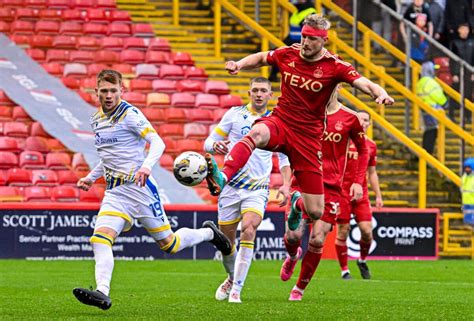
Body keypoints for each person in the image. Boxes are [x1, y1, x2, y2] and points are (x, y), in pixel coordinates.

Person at [204, 14, 394, 240]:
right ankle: (223, 176)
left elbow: (363, 82)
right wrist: (239, 64)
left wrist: (380, 93)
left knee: (316, 210)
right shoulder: (289, 53)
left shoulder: (335, 66)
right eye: (304, 36)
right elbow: (262, 57)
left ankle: (297, 204)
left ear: (323, 40)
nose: (305, 42)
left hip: (308, 138)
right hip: (281, 122)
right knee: (256, 133)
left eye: (312, 39)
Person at [72, 70, 232, 310]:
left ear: (121, 91)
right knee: (99, 239)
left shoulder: (130, 115)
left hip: (140, 190)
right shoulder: (97, 120)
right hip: (115, 194)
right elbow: (108, 157)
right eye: (104, 91)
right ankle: (102, 292)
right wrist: (91, 177)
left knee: (170, 245)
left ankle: (209, 234)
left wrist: (146, 167)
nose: (108, 95)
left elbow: (158, 142)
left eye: (113, 91)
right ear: (96, 92)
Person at [204, 77, 292, 303]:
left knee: (250, 229)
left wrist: (285, 183)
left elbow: (283, 157)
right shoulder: (234, 114)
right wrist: (216, 146)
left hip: (257, 189)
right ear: (249, 92)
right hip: (230, 187)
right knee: (227, 243)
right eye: (255, 90)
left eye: (264, 90)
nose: (259, 94)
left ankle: (237, 290)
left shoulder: (276, 120)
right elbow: (209, 141)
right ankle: (231, 277)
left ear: (270, 95)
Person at [279, 88, 369, 301]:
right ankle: (292, 255)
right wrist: (285, 180)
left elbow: (363, 150)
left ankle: (299, 289)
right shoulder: (303, 112)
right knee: (293, 236)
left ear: (336, 87)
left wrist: (357, 182)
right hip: (302, 180)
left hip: (331, 187)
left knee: (318, 240)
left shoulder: (350, 118)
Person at [335, 110, 384, 280]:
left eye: (365, 120)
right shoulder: (341, 140)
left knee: (367, 231)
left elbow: (372, 172)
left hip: (361, 193)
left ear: (369, 124)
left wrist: (378, 195)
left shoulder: (370, 145)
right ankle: (344, 270)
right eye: (359, 119)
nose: (362, 123)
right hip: (342, 192)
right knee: (343, 231)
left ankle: (362, 260)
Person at [269, 0, 317, 81]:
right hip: (292, 39)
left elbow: (310, 32)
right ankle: (273, 75)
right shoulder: (297, 11)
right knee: (277, 53)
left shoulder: (311, 12)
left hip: (302, 42)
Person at [416, 61, 448, 155]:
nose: (435, 71)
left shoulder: (421, 81)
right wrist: (444, 102)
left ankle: (426, 150)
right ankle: (428, 151)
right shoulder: (429, 81)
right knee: (432, 130)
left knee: (428, 130)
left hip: (425, 109)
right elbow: (436, 94)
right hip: (432, 109)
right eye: (433, 69)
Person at [448, 23, 473, 121]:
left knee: (468, 94)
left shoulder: (472, 42)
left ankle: (468, 115)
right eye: (462, 29)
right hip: (458, 73)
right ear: (459, 30)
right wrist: (454, 73)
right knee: (455, 93)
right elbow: (452, 59)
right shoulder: (455, 42)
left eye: (466, 29)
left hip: (469, 72)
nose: (464, 31)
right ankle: (451, 115)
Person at [461, 157, 474, 226]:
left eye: (468, 167)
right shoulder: (465, 176)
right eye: (465, 167)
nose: (467, 169)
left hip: (473, 202)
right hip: (466, 201)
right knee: (467, 219)